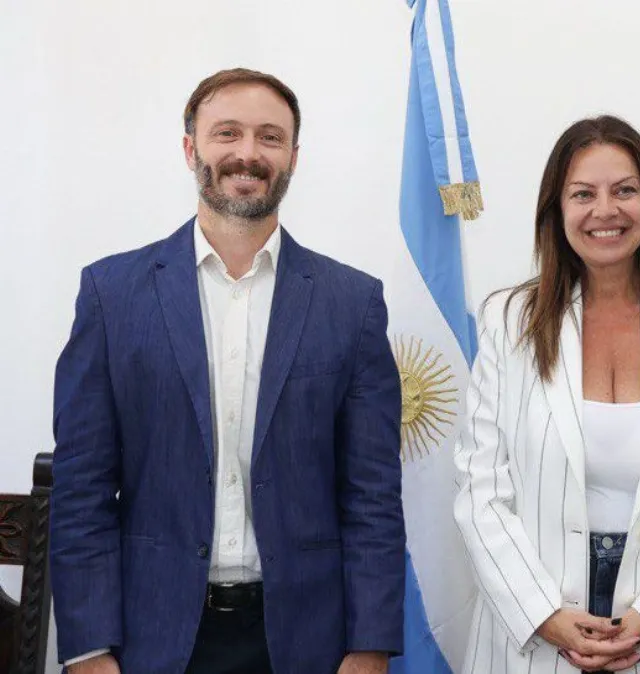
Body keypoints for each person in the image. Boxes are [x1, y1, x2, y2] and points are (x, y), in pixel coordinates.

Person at [50, 68, 406, 674]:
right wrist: (88, 649)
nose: (248, 153)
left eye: (270, 137)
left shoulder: (353, 303)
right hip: (149, 638)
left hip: (308, 641)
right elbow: (82, 488)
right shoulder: (112, 295)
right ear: (191, 149)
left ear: (294, 157)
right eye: (227, 133)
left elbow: (372, 495)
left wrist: (369, 647)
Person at [453, 115, 640, 673]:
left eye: (624, 191)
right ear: (556, 211)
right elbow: (480, 488)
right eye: (583, 194)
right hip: (535, 633)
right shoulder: (508, 321)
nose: (605, 210)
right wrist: (543, 613)